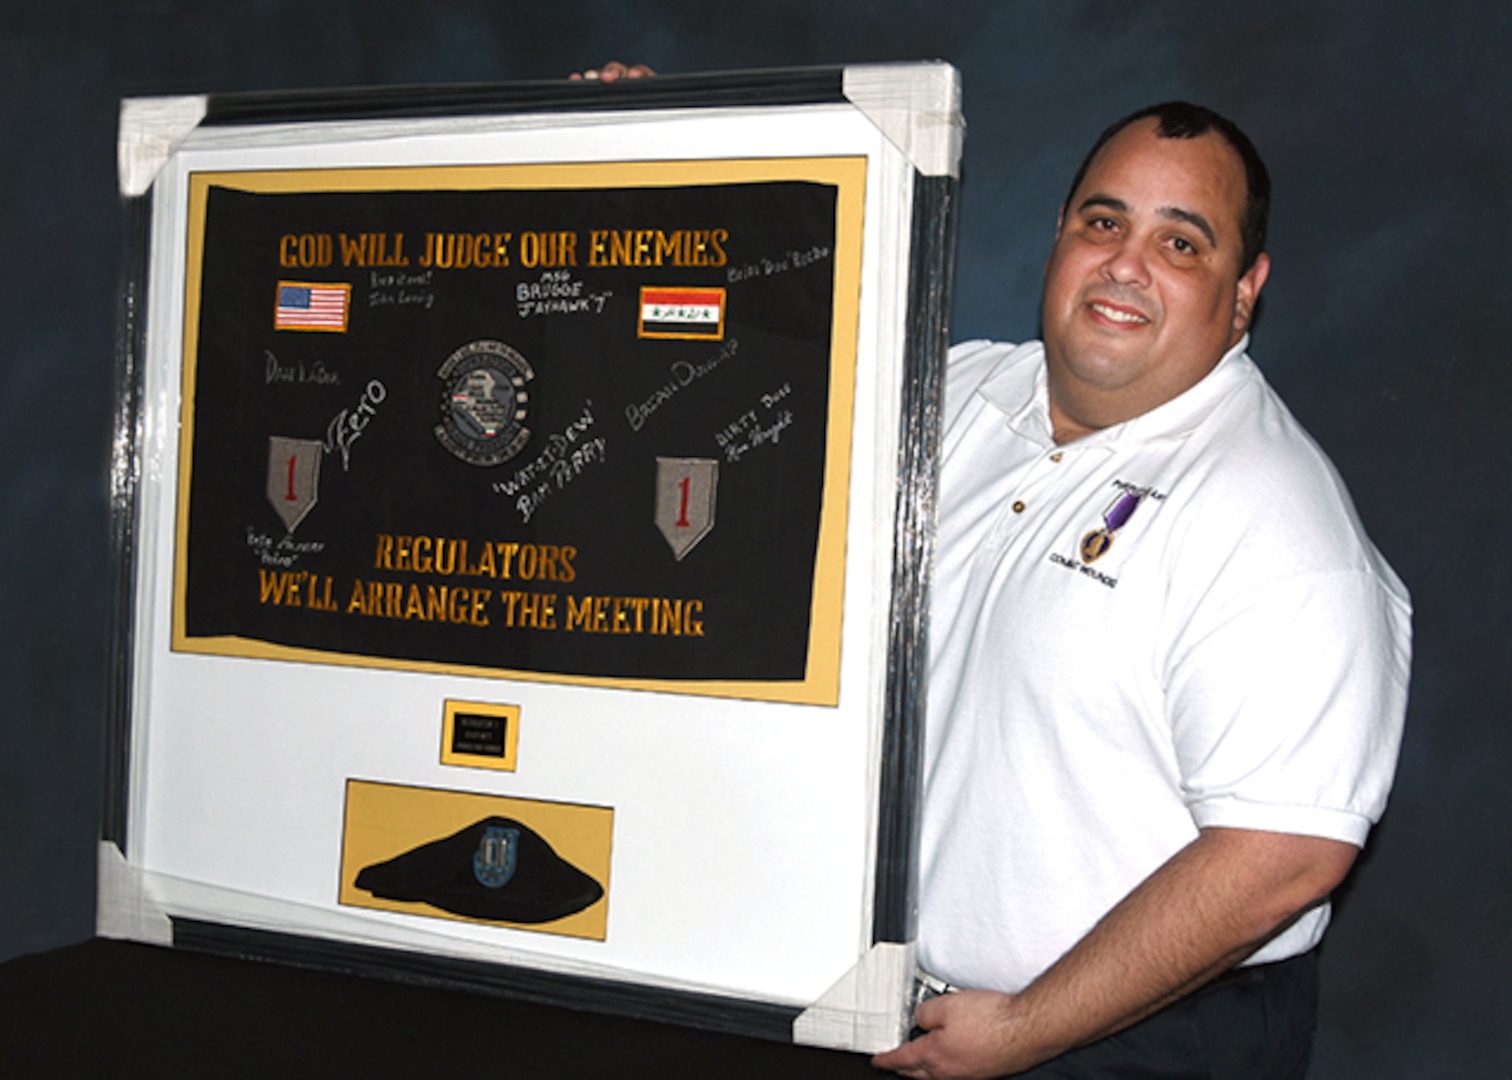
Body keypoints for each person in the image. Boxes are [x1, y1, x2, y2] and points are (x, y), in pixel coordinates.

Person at [871, 103, 1411, 1078]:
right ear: (1061, 238)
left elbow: (1284, 855)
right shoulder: (952, 401)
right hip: (911, 1021)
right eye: (1104, 222)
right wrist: (646, 153)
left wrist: (1030, 1027)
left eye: (1181, 242)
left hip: (1125, 1046)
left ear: (1245, 293)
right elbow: (750, 357)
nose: (1126, 264)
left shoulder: (1275, 520)